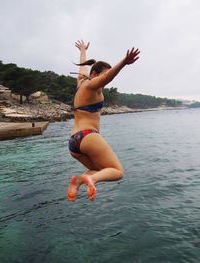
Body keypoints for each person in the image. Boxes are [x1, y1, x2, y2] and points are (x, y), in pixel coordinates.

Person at [67, 40, 140, 202]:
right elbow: (107, 76)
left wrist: (83, 50)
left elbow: (83, 68)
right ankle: (91, 180)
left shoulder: (81, 82)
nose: (104, 81)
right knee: (117, 171)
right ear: (94, 75)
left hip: (74, 142)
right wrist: (124, 63)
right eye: (102, 75)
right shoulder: (91, 86)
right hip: (88, 136)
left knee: (98, 169)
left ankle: (78, 181)